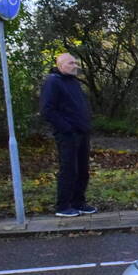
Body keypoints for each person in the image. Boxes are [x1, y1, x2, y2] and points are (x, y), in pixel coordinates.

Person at [40, 53, 96, 218]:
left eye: (76, 63)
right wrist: (66, 128)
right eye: (71, 63)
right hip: (68, 134)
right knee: (69, 169)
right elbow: (47, 110)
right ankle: (63, 206)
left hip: (82, 132)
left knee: (82, 170)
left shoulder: (73, 82)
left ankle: (78, 202)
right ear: (61, 64)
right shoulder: (53, 82)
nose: (75, 65)